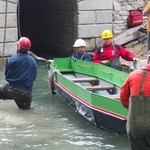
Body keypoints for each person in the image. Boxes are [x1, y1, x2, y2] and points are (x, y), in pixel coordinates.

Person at [120, 52, 150, 150]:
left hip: (136, 126)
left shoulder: (133, 75)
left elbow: (123, 99)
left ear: (148, 60)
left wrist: (134, 109)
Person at [0, 37, 37, 110]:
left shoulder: (11, 59)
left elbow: (6, 75)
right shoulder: (33, 61)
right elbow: (34, 77)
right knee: (26, 111)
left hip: (12, 90)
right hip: (27, 93)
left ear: (19, 46)